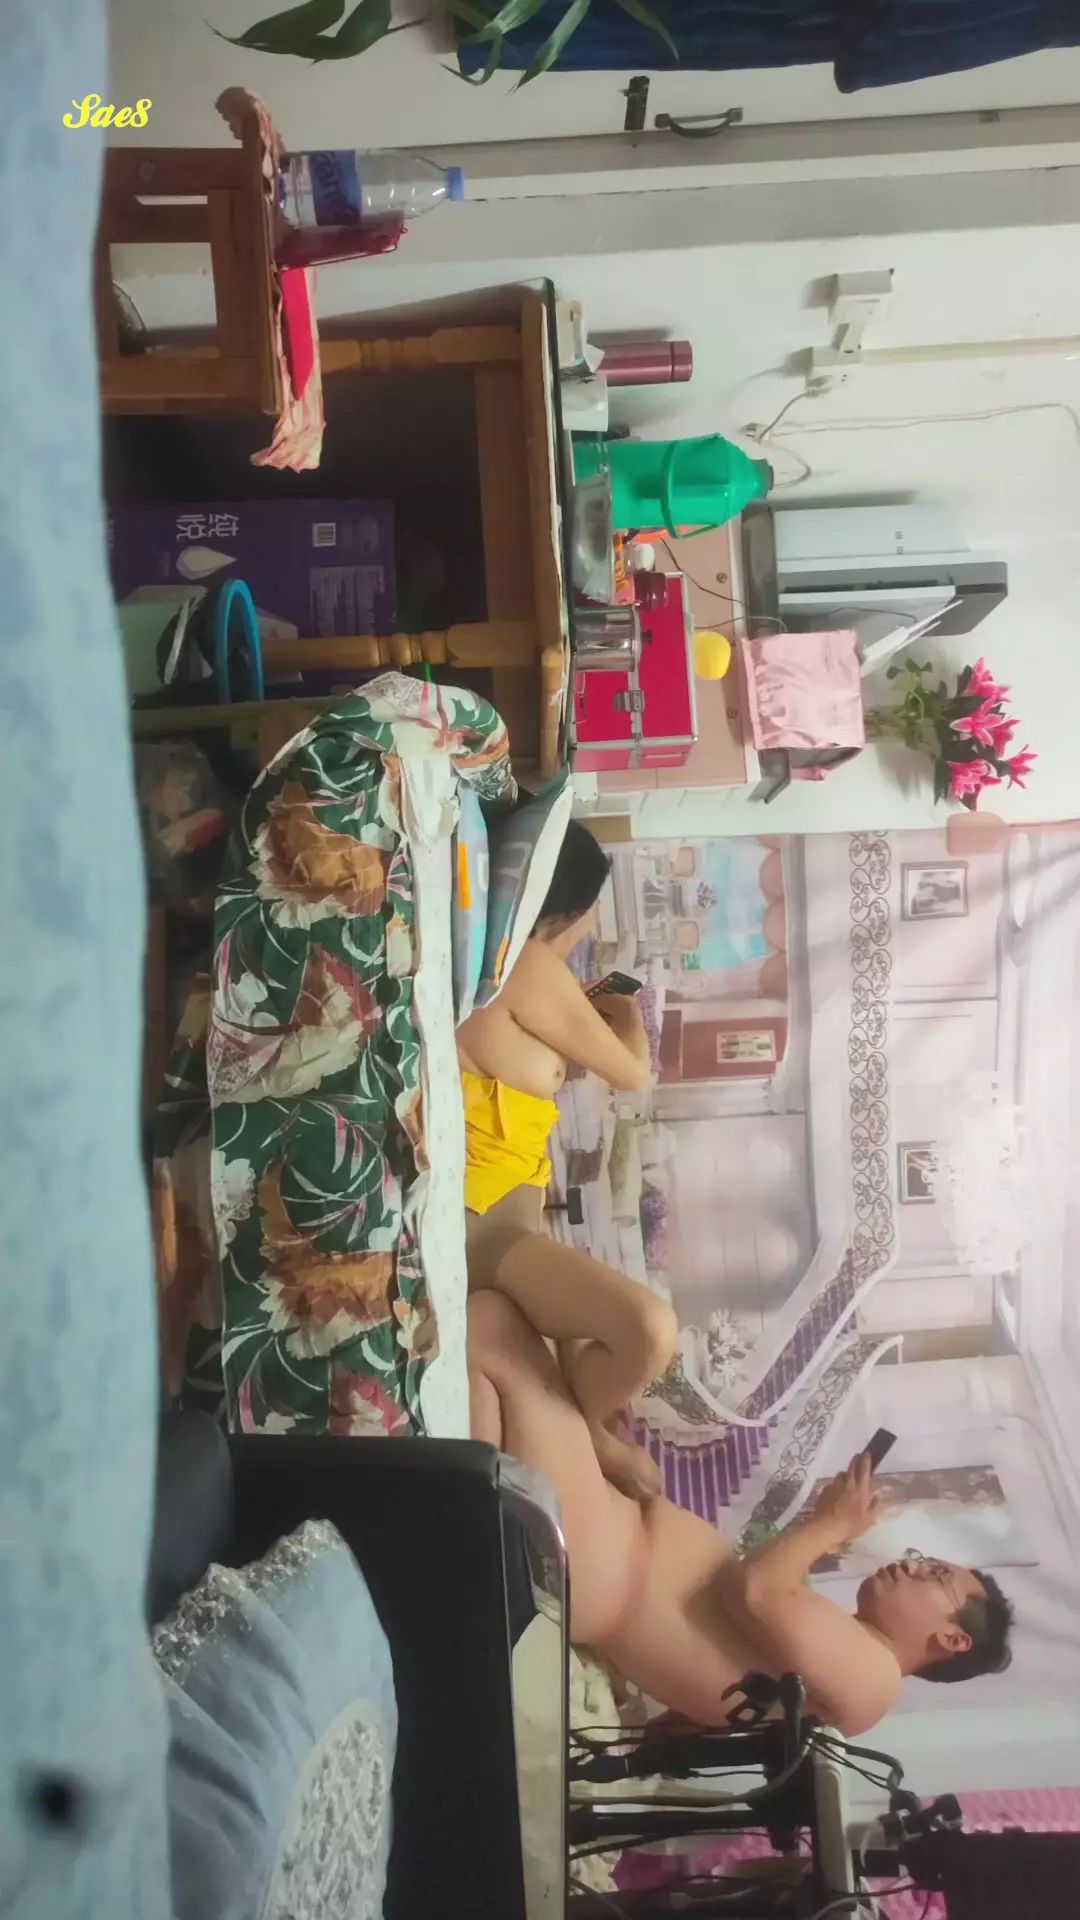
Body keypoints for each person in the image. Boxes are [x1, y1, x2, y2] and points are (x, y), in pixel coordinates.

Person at [467, 1291, 1015, 1737]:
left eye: (935, 1575)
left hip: (600, 1567)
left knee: (494, 1323)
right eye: (927, 1560)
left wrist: (833, 1525)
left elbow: (754, 1591)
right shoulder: (848, 1651)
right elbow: (698, 1702)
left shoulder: (875, 1681)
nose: (913, 1565)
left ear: (953, 1640)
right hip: (601, 1550)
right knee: (498, 1405)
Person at [457, 817, 677, 1502]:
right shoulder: (526, 965)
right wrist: (628, 1009)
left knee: (603, 1335)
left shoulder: (491, 962)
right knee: (649, 1331)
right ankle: (593, 1436)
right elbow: (633, 1073)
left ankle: (590, 1427)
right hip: (483, 1228)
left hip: (505, 1225)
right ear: (569, 910)